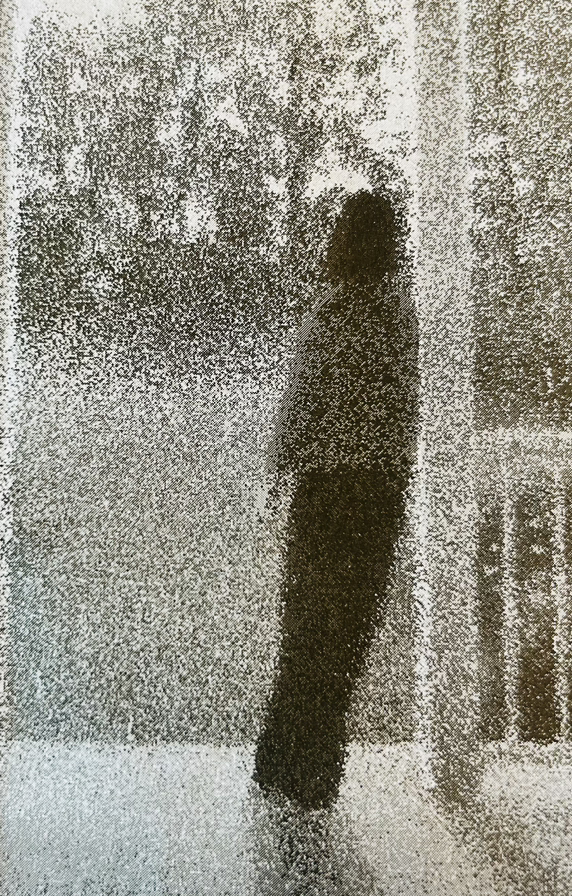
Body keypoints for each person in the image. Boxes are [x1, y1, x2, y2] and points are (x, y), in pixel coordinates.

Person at [253, 188, 419, 810]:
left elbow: (301, 403)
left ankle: (283, 764)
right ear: (392, 247)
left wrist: (278, 470)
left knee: (307, 626)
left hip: (325, 489)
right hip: (377, 492)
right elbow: (406, 410)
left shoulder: (330, 314)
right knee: (348, 631)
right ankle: (315, 772)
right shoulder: (399, 318)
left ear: (343, 243)